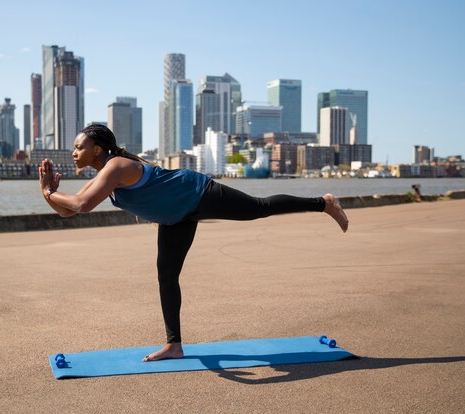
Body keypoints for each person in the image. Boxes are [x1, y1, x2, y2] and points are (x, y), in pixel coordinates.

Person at [39, 124, 349, 362]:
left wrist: (49, 193)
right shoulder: (104, 175)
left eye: (78, 147)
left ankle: (324, 202)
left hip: (197, 193)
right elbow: (69, 212)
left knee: (258, 208)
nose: (74, 153)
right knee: (167, 275)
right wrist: (49, 195)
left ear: (96, 149)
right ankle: (174, 345)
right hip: (176, 218)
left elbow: (80, 204)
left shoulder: (116, 167)